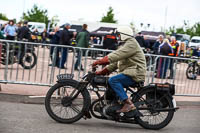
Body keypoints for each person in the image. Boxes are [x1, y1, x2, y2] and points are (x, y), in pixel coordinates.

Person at [92, 26, 146, 113]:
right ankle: (114, 103)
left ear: (124, 34)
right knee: (109, 82)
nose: (117, 37)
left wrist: (99, 61)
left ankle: (128, 103)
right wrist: (102, 72)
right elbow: (116, 62)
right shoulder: (125, 44)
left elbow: (116, 55)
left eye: (119, 34)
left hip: (135, 73)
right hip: (130, 72)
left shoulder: (131, 43)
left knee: (113, 80)